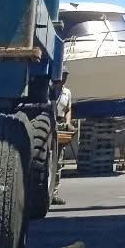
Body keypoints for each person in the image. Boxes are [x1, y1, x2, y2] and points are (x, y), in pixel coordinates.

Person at [52, 70, 72, 206]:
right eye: (62, 75)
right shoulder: (49, 89)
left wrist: (68, 122)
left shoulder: (67, 92)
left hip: (60, 123)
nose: (64, 78)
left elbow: (68, 109)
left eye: (66, 76)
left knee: (58, 161)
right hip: (48, 121)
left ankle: (54, 193)